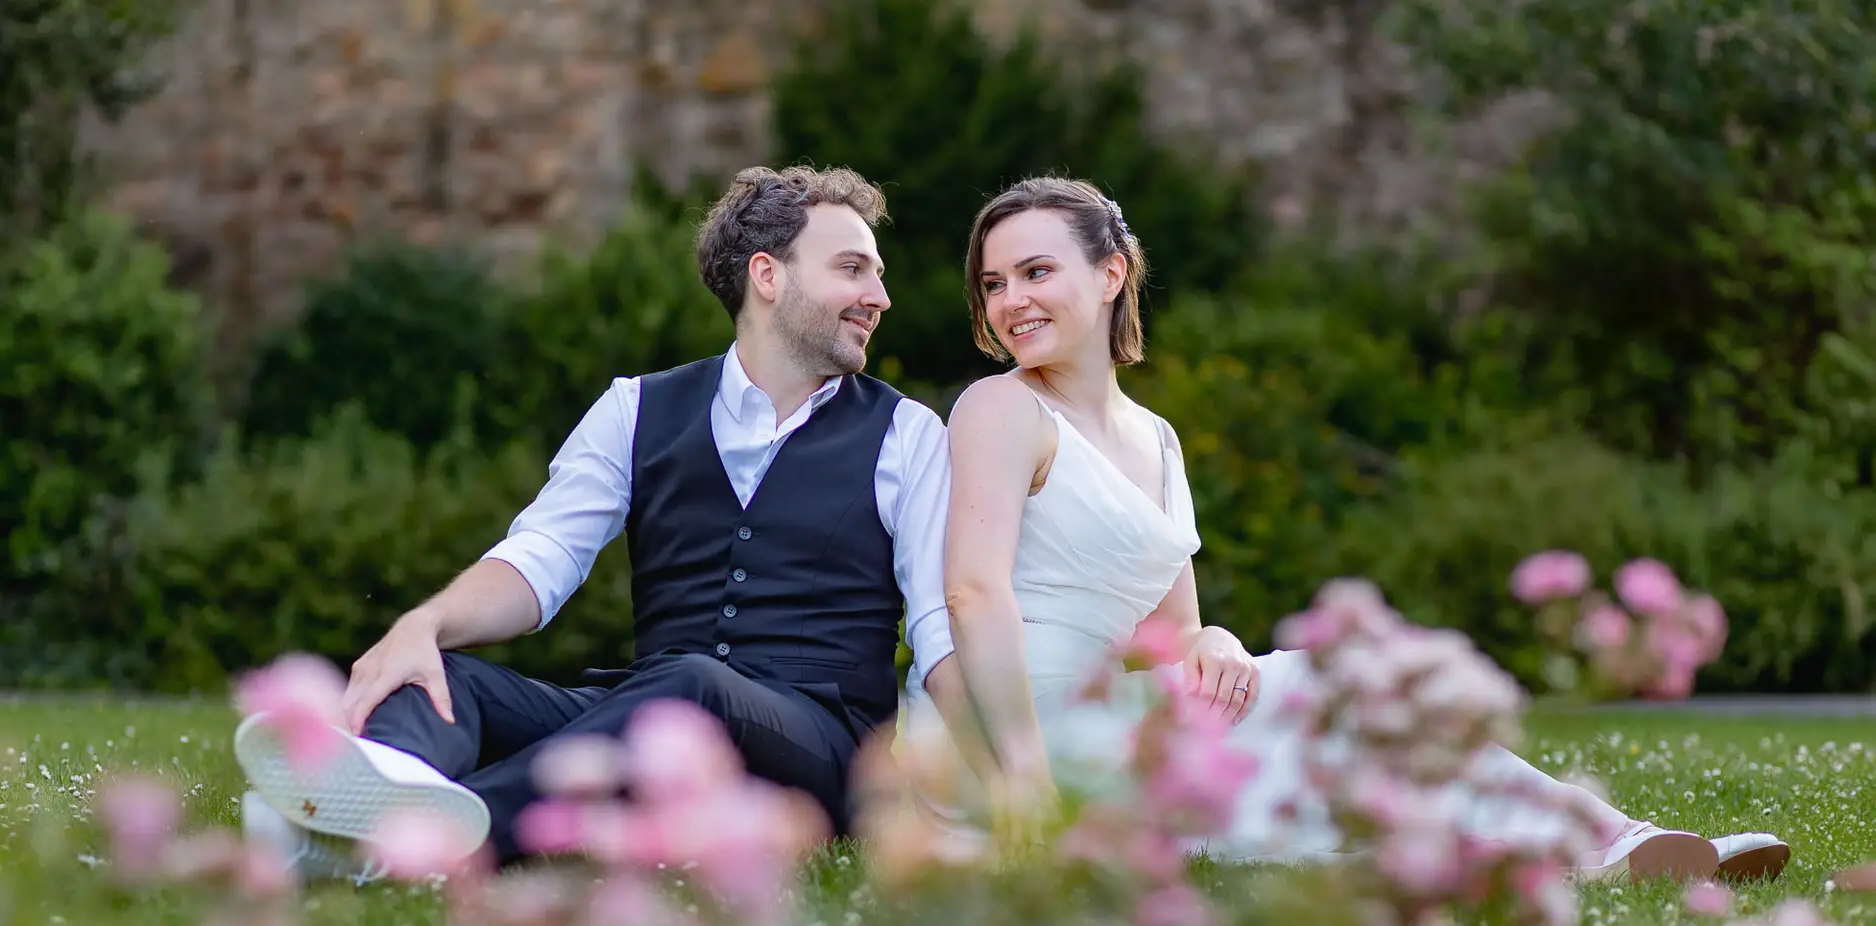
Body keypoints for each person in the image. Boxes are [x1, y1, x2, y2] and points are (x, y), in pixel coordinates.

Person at [910, 175, 1790, 884]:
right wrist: (1021, 772)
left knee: (1345, 696)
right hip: (1021, 725)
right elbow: (973, 590)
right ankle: (1568, 848)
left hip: (1126, 704)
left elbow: (1171, 628)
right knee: (1322, 709)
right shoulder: (999, 408)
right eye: (993, 283)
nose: (1010, 301)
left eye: (1035, 272)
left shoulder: (1157, 437)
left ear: (1110, 275)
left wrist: (1214, 638)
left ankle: (1612, 837)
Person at [234, 164, 973, 874]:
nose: (878, 295)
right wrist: (423, 625)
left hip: (818, 749)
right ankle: (350, 808)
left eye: (876, 272)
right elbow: (542, 555)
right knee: (438, 676)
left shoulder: (909, 435)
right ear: (767, 276)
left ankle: (429, 838)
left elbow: (938, 628)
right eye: (852, 268)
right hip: (649, 714)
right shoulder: (636, 408)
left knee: (691, 687)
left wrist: (942, 794)